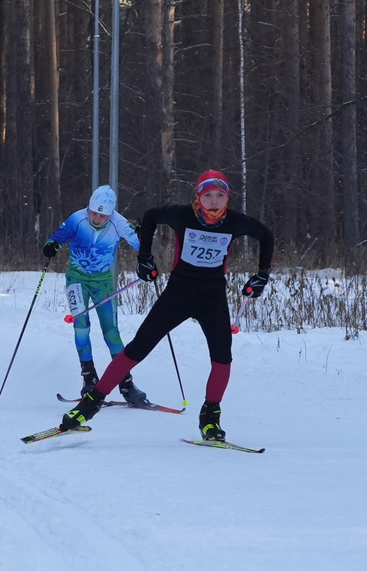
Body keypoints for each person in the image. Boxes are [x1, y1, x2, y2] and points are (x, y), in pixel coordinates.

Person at [60, 169, 271, 443]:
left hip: (212, 296)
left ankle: (210, 418)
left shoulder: (235, 222)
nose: (214, 201)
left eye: (220, 195)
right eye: (208, 195)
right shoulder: (182, 215)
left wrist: (261, 275)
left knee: (222, 358)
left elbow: (266, 236)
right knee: (138, 347)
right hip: (179, 293)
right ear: (199, 195)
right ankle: (91, 403)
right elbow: (150, 217)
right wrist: (144, 258)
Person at [41, 185, 155, 407]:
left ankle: (126, 383)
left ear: (110, 213)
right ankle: (89, 378)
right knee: (81, 326)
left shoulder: (118, 221)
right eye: (94, 212)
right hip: (77, 279)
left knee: (111, 331)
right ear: (89, 207)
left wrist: (145, 246)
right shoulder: (78, 218)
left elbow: (139, 244)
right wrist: (52, 245)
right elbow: (59, 235)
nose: (97, 218)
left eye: (102, 215)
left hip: (104, 282)